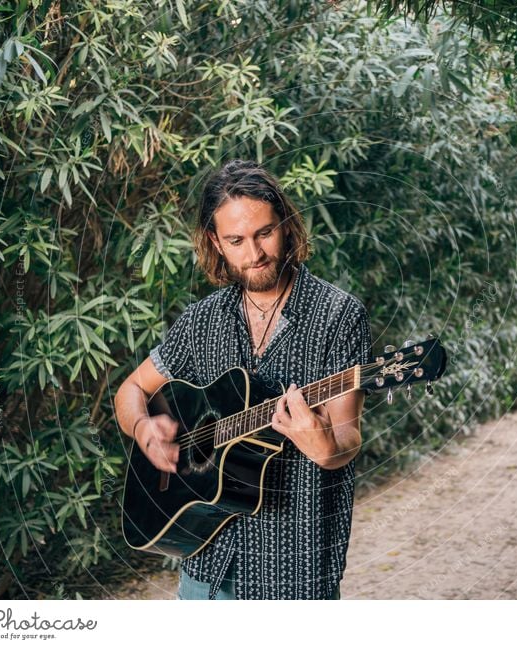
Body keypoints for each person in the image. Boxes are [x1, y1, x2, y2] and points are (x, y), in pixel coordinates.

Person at [113, 159, 372, 600]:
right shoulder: (202, 321)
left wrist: (325, 448)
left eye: (264, 233)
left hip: (293, 572)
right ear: (215, 241)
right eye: (235, 240)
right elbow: (131, 390)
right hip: (206, 571)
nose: (253, 254)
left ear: (287, 225)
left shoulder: (338, 316)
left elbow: (347, 438)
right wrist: (144, 428)